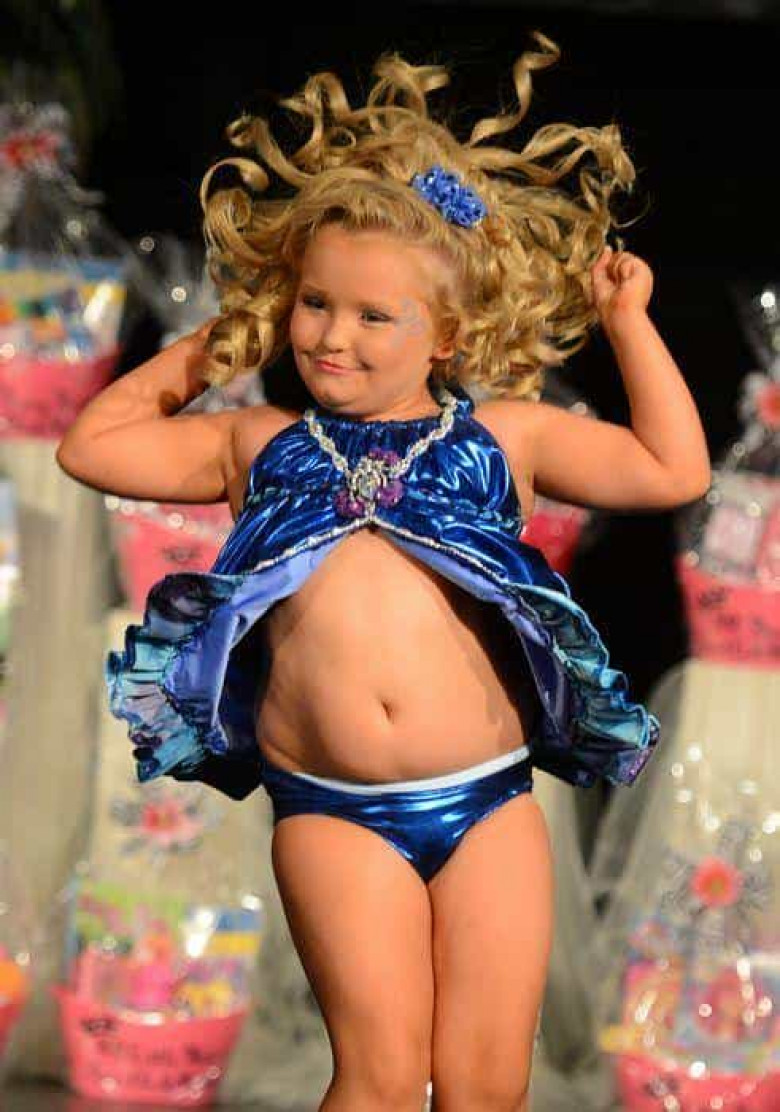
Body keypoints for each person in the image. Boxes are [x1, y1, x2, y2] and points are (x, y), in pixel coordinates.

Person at [56, 30, 711, 1112]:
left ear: (445, 333)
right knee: (379, 1078)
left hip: (489, 802)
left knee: (487, 1083)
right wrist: (217, 346)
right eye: (314, 302)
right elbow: (92, 447)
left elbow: (674, 468)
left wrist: (629, 325)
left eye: (373, 316)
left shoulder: (504, 438)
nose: (331, 335)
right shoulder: (259, 443)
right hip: (333, 807)